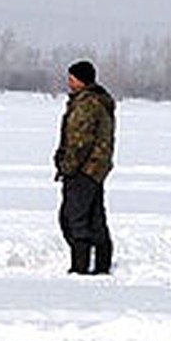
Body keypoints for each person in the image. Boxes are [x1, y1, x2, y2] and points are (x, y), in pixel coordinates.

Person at [54, 60, 116, 274]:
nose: (69, 82)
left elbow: (79, 142)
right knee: (94, 218)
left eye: (72, 78)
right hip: (96, 170)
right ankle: (101, 266)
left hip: (83, 171)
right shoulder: (97, 100)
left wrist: (67, 167)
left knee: (73, 218)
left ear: (81, 80)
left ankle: (80, 267)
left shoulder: (86, 104)